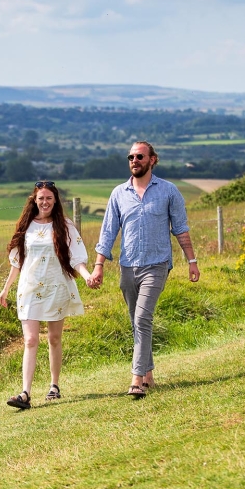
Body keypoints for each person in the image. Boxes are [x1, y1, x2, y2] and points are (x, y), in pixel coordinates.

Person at [87, 141, 200, 399]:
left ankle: (136, 380)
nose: (134, 160)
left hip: (157, 265)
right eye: (130, 157)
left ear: (152, 160)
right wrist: (99, 265)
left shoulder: (169, 191)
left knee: (142, 319)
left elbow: (181, 229)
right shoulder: (118, 194)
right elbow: (108, 232)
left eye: (139, 156)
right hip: (128, 267)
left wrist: (191, 262)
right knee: (136, 322)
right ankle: (148, 374)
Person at [0, 181, 93, 410]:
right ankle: (25, 393)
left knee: (54, 338)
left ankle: (54, 385)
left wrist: (87, 276)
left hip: (56, 287)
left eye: (49, 198)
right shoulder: (26, 226)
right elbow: (17, 261)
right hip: (29, 288)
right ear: (34, 200)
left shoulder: (65, 226)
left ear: (55, 200)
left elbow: (76, 257)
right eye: (41, 198)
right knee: (30, 340)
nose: (45, 202)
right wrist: (6, 288)